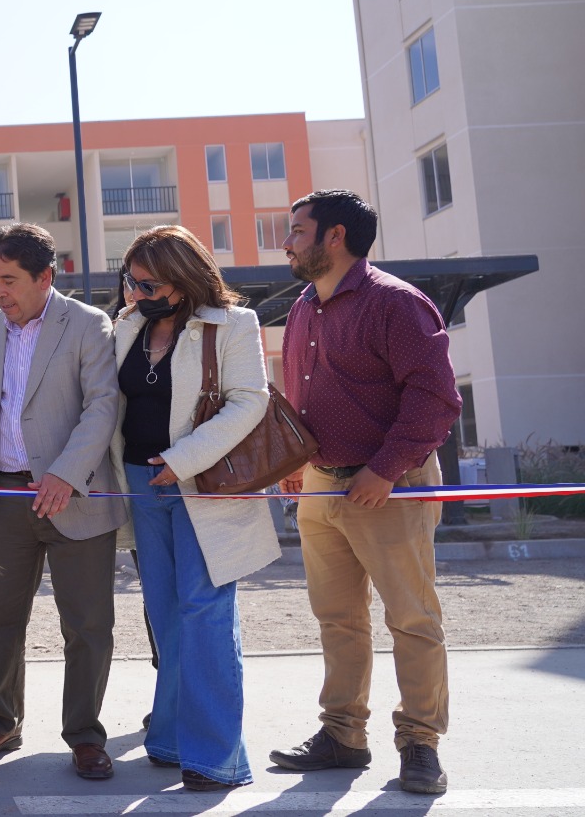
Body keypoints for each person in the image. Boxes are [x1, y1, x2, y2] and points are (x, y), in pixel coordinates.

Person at [269, 189, 460, 796]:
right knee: (338, 619)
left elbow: (435, 399)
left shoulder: (397, 305)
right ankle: (343, 735)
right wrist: (293, 458)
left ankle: (421, 744)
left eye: (297, 230)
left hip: (389, 485)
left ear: (335, 236)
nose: (287, 241)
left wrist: (384, 469)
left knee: (412, 617)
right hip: (320, 487)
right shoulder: (302, 306)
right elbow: (298, 391)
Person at [107, 226, 280, 791]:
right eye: (129, 280)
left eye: (145, 281)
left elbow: (250, 401)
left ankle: (216, 758)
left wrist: (181, 460)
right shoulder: (126, 326)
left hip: (203, 482)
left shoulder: (233, 324)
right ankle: (171, 738)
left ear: (180, 283)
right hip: (140, 481)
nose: (133, 291)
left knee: (205, 611)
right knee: (164, 610)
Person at [0, 223, 124, 778]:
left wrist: (66, 474)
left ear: (45, 277)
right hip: (3, 497)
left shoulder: (89, 324)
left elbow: (102, 407)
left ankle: (85, 737)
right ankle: (1, 722)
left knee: (88, 625)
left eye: (10, 280)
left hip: (75, 497)